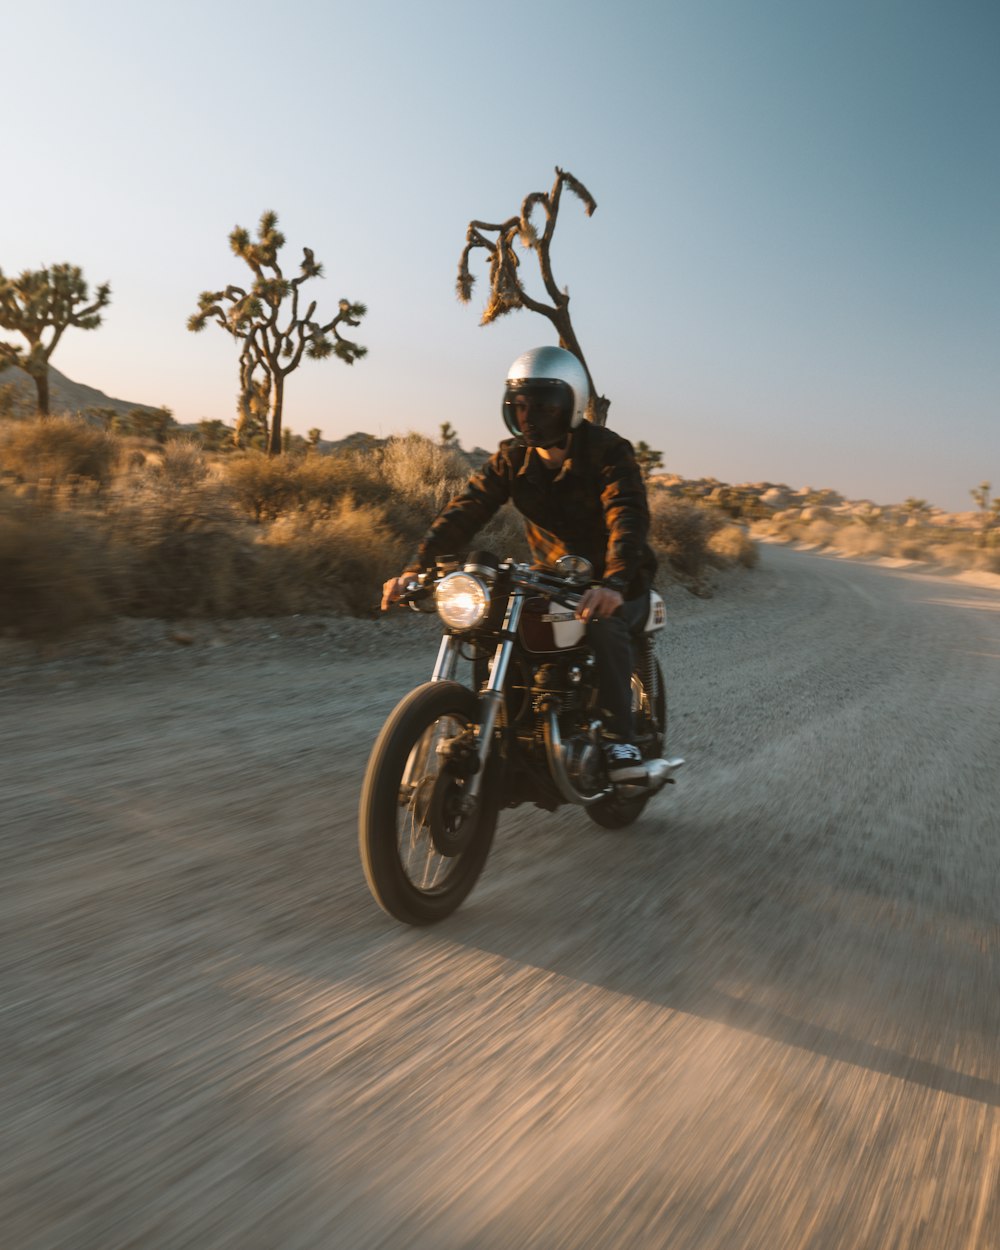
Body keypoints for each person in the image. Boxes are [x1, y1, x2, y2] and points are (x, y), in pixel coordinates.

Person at [381, 345, 662, 784]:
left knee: (603, 623)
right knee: (488, 613)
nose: (529, 417)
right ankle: (498, 729)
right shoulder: (512, 458)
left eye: (544, 406)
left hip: (617, 579)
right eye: (520, 406)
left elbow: (626, 514)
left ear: (570, 407)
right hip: (554, 577)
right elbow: (466, 509)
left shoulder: (609, 452)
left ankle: (620, 738)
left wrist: (614, 582)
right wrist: (417, 568)